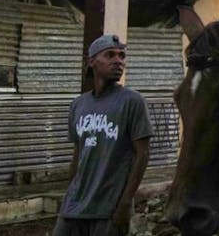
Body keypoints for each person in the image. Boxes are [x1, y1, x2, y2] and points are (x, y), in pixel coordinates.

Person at [54, 34, 153, 236]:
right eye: (110, 55)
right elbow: (78, 153)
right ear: (92, 62)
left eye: (122, 56)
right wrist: (69, 194)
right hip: (75, 206)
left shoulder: (132, 102)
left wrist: (126, 202)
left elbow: (142, 155)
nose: (118, 61)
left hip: (109, 208)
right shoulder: (78, 105)